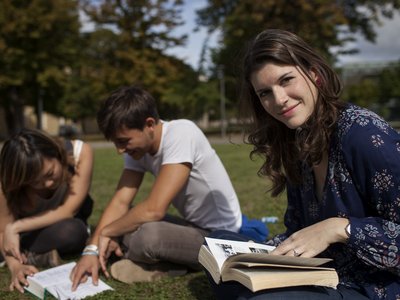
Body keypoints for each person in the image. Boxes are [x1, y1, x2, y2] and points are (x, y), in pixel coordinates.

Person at [204, 29, 400, 300]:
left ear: (315, 74)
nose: (279, 99)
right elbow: (298, 231)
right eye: (265, 93)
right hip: (321, 273)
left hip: (370, 287)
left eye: (287, 80)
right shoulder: (299, 139)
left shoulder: (364, 135)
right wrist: (261, 254)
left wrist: (340, 229)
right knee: (217, 243)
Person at [70, 85, 243, 288]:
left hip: (222, 237)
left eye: (124, 141)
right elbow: (120, 201)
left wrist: (107, 233)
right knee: (127, 221)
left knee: (147, 237)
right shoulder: (139, 150)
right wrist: (91, 249)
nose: (120, 150)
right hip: (192, 227)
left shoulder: (181, 132)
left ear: (149, 124)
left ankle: (170, 266)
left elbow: (154, 209)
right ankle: (163, 261)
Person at [0, 128, 94, 294]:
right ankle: (26, 254)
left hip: (58, 226)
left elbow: (68, 210)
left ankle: (30, 253)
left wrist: (15, 227)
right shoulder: (6, 182)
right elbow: (4, 232)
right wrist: (15, 266)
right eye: (36, 182)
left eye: (50, 173)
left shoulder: (80, 153)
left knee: (74, 231)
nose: (48, 184)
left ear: (55, 152)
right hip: (23, 237)